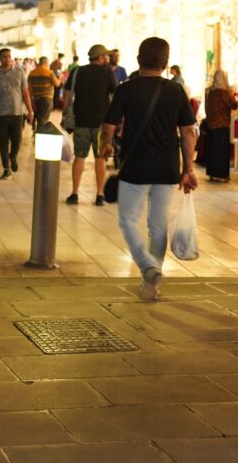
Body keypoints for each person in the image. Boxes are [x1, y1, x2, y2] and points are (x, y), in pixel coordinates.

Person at [100, 37, 197, 302]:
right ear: (166, 63)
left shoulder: (126, 89)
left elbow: (108, 127)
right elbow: (188, 132)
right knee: (157, 225)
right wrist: (188, 168)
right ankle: (151, 284)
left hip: (135, 167)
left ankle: (147, 265)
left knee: (128, 220)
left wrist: (104, 147)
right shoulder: (176, 91)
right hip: (167, 168)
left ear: (138, 59)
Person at [63, 44, 117, 205]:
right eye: (105, 57)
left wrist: (66, 113)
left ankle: (74, 193)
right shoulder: (107, 72)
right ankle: (100, 194)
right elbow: (114, 95)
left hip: (81, 122)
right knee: (100, 159)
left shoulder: (77, 71)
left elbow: (67, 95)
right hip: (102, 124)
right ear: (101, 58)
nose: (107, 59)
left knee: (79, 157)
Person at [0, 47, 33, 179]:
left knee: (17, 141)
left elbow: (25, 93)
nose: (7, 59)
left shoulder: (19, 72)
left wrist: (30, 111)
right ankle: (6, 168)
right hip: (0, 114)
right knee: (3, 142)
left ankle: (13, 157)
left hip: (16, 113)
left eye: (9, 56)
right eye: (4, 56)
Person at [204, 70, 237, 183]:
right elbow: (233, 105)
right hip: (222, 123)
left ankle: (213, 174)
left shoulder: (209, 91)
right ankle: (221, 175)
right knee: (221, 151)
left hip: (211, 123)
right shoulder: (224, 92)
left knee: (213, 149)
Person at [27, 56, 60, 131]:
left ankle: (36, 133)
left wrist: (31, 100)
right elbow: (57, 84)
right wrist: (60, 78)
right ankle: (40, 136)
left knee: (39, 118)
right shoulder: (49, 72)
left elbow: (29, 88)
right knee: (43, 120)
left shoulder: (32, 73)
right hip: (47, 99)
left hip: (36, 99)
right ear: (46, 63)